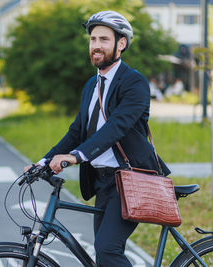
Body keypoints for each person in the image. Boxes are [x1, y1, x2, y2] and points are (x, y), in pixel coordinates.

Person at [24, 11, 170, 266]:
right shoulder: (92, 85)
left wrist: (76, 156)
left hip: (128, 180)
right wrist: (42, 162)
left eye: (104, 39)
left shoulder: (134, 83)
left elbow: (116, 127)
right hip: (102, 183)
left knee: (107, 252)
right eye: (93, 39)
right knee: (103, 258)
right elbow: (76, 132)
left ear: (120, 43)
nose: (96, 46)